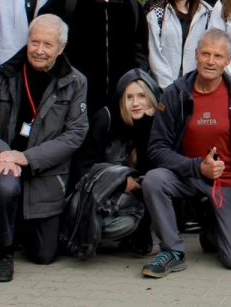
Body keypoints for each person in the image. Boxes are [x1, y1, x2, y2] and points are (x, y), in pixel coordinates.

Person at [0, 15, 89, 282]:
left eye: (47, 44)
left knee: (44, 255)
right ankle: (4, 256)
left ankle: (19, 228)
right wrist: (3, 155)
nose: (39, 50)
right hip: (5, 165)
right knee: (5, 185)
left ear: (61, 48)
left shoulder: (75, 82)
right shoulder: (1, 75)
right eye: (34, 42)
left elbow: (75, 134)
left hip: (44, 174)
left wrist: (26, 157)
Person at [141, 30, 231, 276]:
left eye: (218, 56)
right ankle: (173, 251)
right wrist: (198, 167)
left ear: (228, 61)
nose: (210, 61)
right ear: (196, 55)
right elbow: (156, 149)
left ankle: (211, 225)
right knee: (153, 180)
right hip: (188, 175)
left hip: (228, 181)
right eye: (205, 54)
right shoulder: (176, 92)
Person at [39, 0, 148, 116]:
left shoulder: (131, 5)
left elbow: (141, 51)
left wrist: (133, 84)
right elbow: (43, 43)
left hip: (120, 105)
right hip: (72, 102)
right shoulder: (66, 0)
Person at [68, 69, 161, 258]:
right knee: (126, 223)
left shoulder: (150, 123)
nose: (135, 103)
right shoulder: (106, 119)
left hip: (122, 199)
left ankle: (132, 240)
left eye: (142, 96)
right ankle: (85, 237)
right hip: (92, 197)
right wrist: (120, 183)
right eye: (129, 97)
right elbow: (83, 168)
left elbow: (151, 167)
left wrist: (149, 123)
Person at [147, 0, 214, 89]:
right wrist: (170, 89)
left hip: (198, 87)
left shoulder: (208, 14)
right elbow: (154, 55)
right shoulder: (157, 15)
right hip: (164, 89)